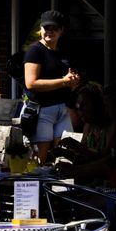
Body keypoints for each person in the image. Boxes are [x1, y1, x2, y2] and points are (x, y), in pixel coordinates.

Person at [24, 10, 81, 163]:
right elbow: (31, 83)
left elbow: (66, 81)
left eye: (54, 28)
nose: (50, 31)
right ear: (40, 29)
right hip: (42, 110)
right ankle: (38, 185)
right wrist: (63, 81)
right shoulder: (35, 51)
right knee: (39, 158)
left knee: (66, 153)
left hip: (62, 109)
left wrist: (73, 82)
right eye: (46, 27)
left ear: (61, 30)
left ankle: (63, 186)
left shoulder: (62, 52)